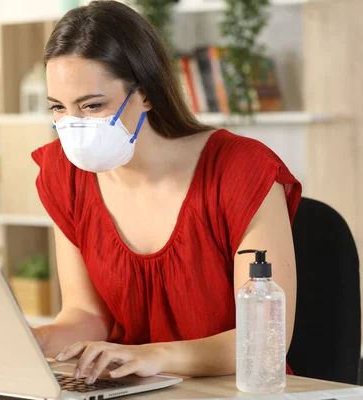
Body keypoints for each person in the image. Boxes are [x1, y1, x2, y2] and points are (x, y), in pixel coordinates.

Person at [30, 0, 301, 384]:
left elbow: (263, 344)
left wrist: (153, 356)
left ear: (146, 94)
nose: (73, 126)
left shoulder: (242, 170)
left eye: (92, 106)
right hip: (130, 387)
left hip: (234, 390)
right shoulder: (64, 175)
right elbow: (86, 316)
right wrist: (33, 339)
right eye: (59, 108)